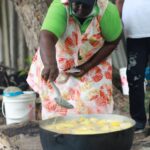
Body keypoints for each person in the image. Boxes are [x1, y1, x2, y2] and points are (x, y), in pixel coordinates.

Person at [27, 0, 122, 120]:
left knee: (94, 104)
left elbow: (113, 42)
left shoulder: (107, 11)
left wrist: (88, 66)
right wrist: (50, 64)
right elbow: (47, 36)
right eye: (77, 3)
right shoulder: (61, 6)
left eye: (86, 5)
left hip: (94, 60)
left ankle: (94, 135)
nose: (80, 9)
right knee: (56, 109)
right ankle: (58, 136)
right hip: (56, 60)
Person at [116, 0, 150, 132]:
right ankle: (138, 120)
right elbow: (119, 1)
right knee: (134, 77)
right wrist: (117, 24)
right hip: (134, 32)